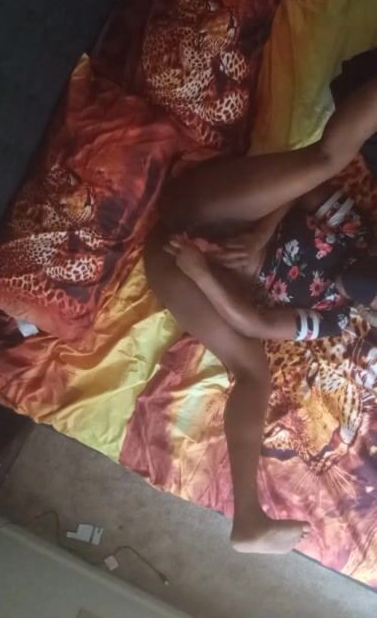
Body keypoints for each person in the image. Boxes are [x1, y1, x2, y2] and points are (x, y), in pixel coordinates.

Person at [144, 79, 377, 555]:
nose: (344, 288)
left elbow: (255, 325)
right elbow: (304, 189)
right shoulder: (353, 231)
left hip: (184, 266)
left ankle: (248, 518)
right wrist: (261, 236)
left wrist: (200, 271)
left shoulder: (334, 318)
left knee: (253, 372)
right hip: (218, 213)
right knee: (323, 160)